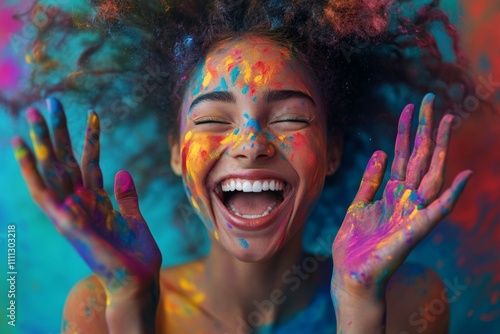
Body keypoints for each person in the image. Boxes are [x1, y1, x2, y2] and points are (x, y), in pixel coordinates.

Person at [11, 0, 475, 333]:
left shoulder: (408, 301)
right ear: (176, 151)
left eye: (291, 118)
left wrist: (357, 307)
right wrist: (131, 307)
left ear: (332, 150)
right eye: (213, 119)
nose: (251, 145)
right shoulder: (98, 307)